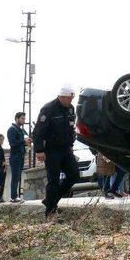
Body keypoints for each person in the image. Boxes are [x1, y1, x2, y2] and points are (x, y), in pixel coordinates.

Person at [32, 85, 80, 218]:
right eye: (69, 98)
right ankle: (50, 212)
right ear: (61, 97)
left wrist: (71, 143)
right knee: (53, 180)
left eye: (72, 98)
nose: (71, 101)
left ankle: (50, 200)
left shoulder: (70, 109)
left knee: (74, 175)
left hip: (66, 149)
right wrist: (39, 150)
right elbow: (38, 132)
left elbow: (71, 128)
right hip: (51, 150)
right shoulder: (48, 109)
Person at [8, 112, 31, 203]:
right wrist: (24, 141)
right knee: (15, 177)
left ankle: (16, 196)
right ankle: (13, 196)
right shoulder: (12, 129)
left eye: (24, 119)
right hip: (15, 157)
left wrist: (27, 142)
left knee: (18, 177)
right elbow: (13, 144)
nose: (24, 120)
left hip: (20, 156)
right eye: (22, 118)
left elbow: (22, 143)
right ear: (16, 118)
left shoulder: (21, 130)